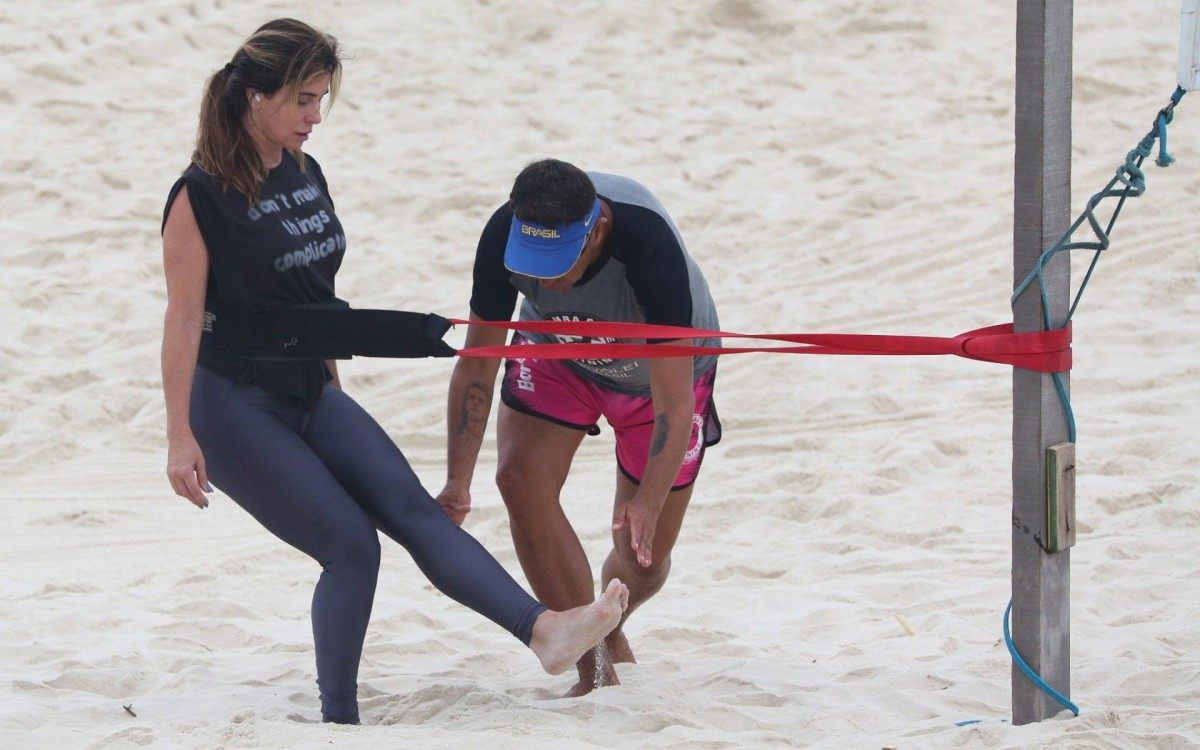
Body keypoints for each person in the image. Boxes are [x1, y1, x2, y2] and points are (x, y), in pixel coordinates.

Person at [160, 21, 627, 725]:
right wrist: (178, 436)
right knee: (351, 546)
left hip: (310, 391)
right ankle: (339, 721)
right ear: (256, 96)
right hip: (231, 406)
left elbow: (314, 299)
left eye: (323, 99)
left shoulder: (305, 172)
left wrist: (331, 392)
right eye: (303, 100)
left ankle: (544, 632)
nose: (317, 116)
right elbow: (183, 320)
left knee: (416, 511)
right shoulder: (200, 198)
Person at [438, 159, 721, 695]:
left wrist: (650, 500)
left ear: (598, 230)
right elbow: (478, 362)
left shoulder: (646, 245)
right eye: (535, 264)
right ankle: (593, 665)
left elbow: (674, 407)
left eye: (558, 263)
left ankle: (610, 624)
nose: (546, 281)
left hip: (659, 381)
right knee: (519, 478)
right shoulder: (504, 231)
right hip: (559, 356)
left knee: (646, 553)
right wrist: (458, 482)